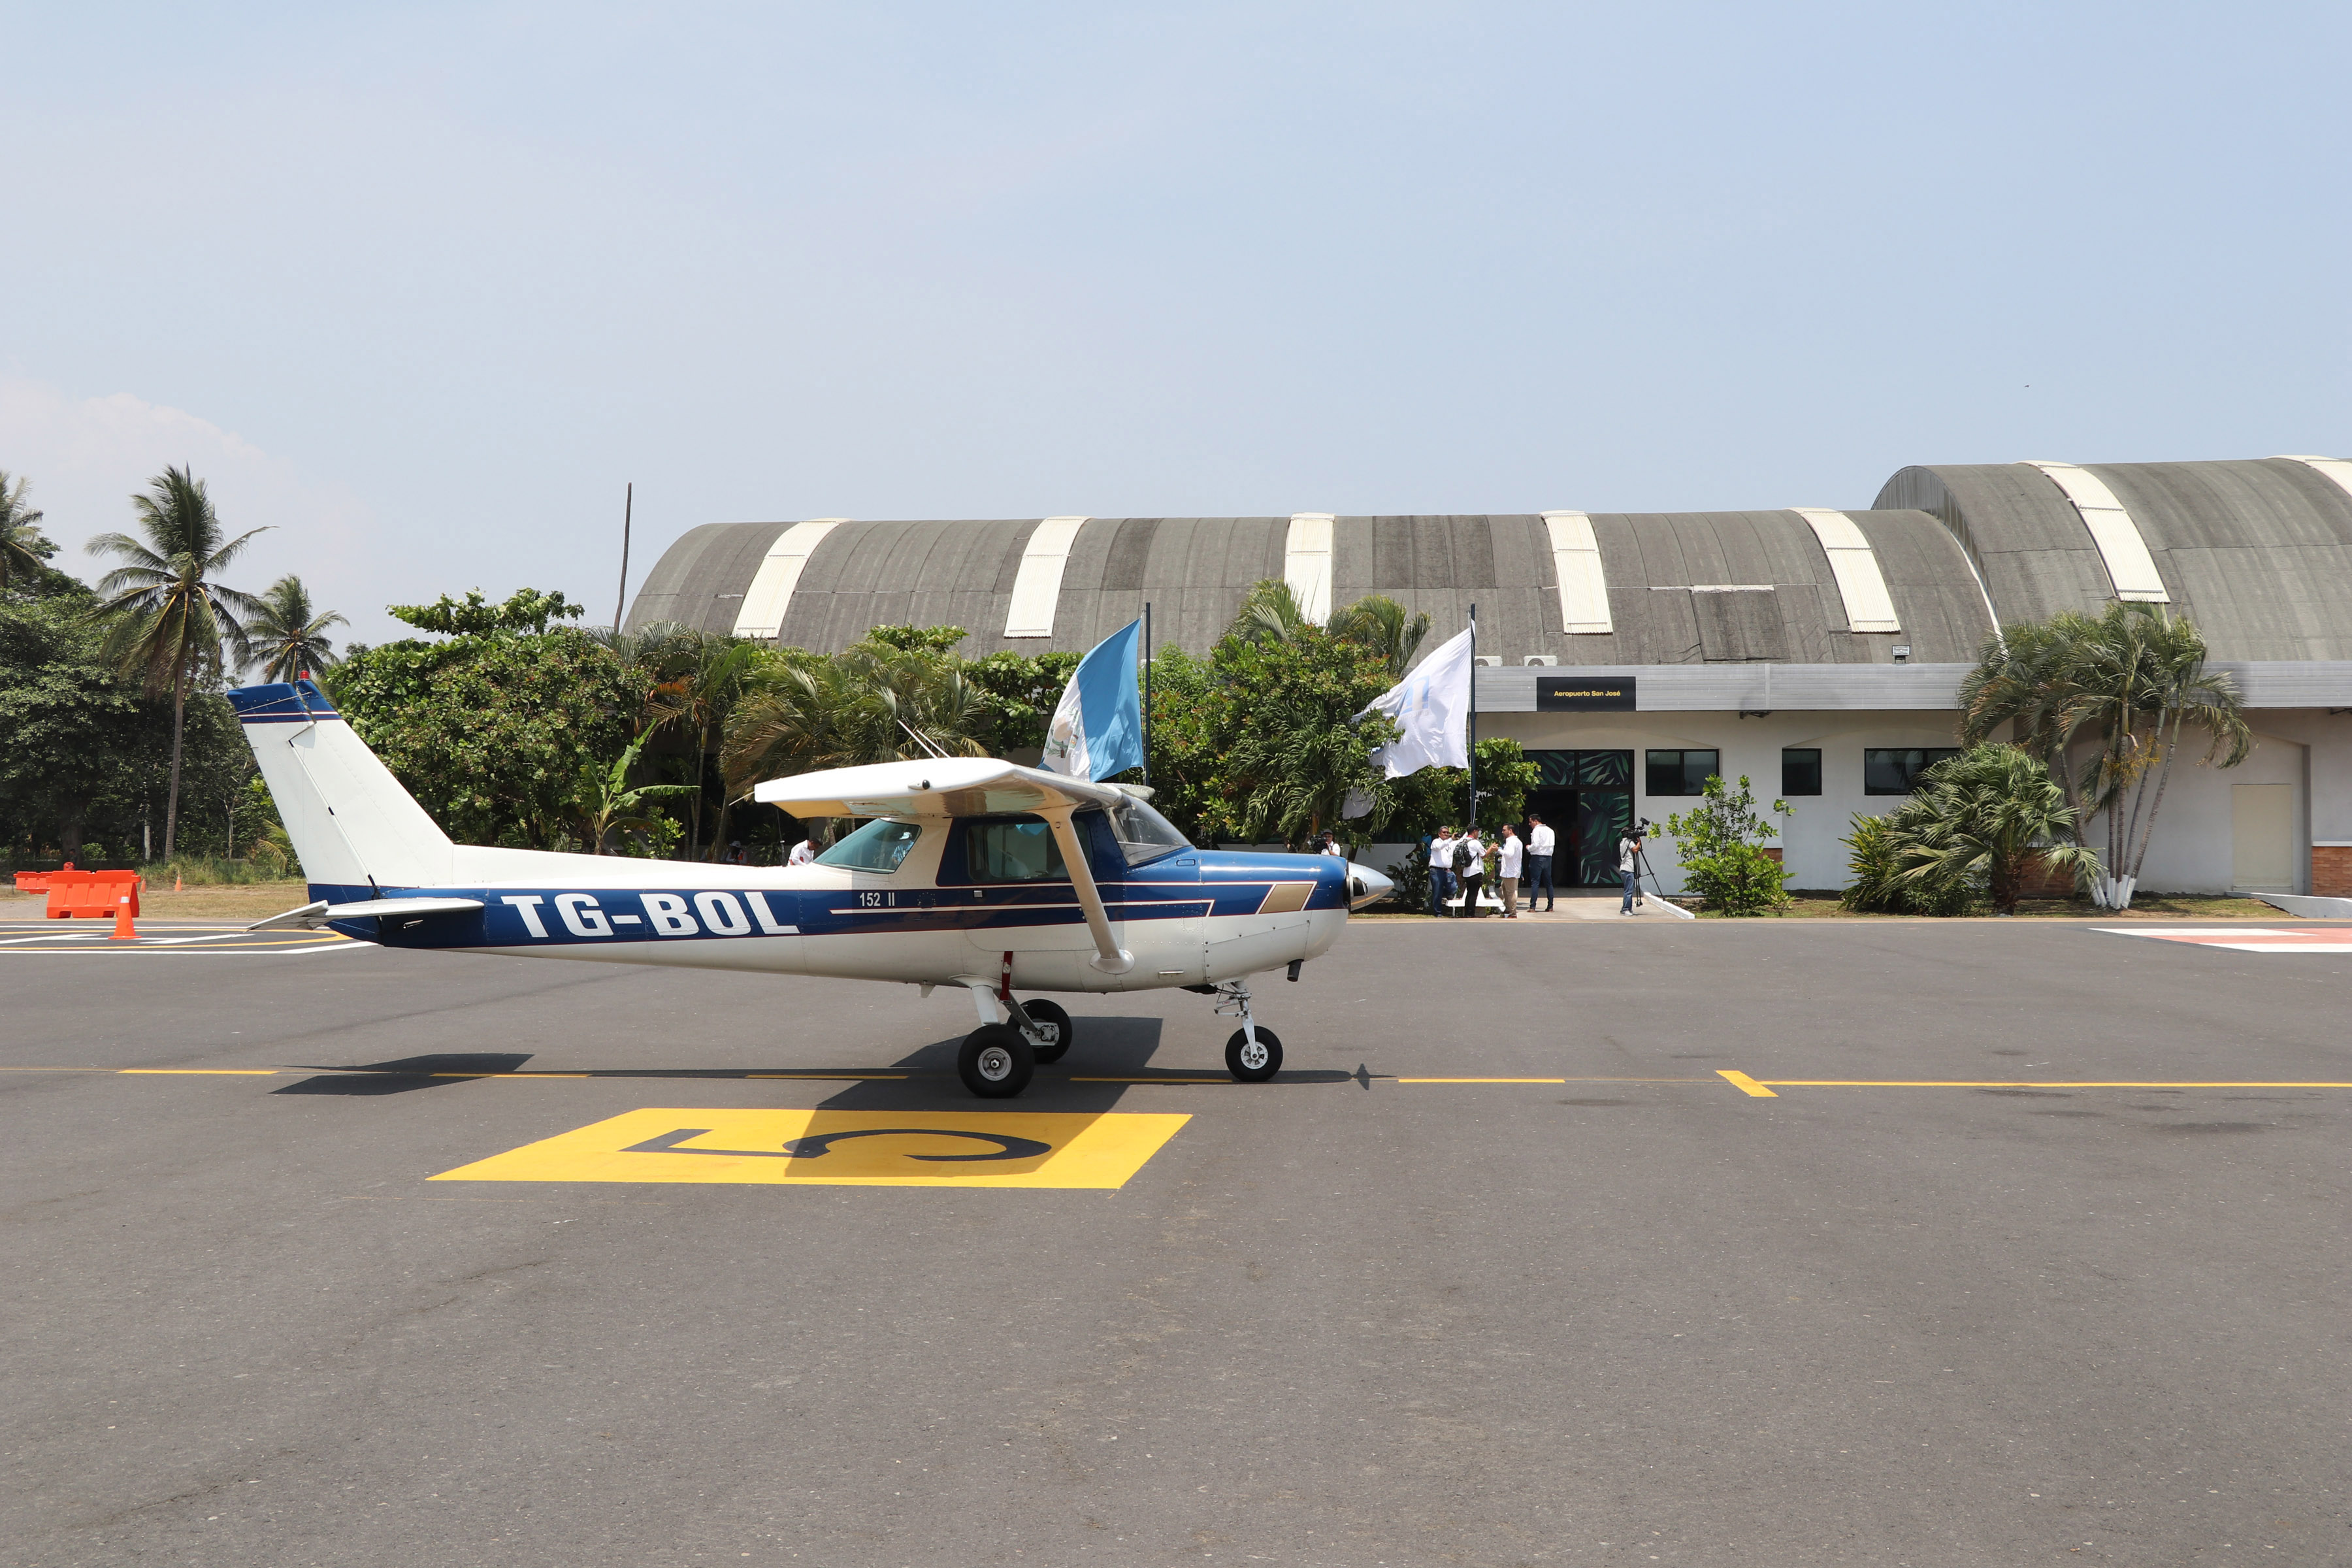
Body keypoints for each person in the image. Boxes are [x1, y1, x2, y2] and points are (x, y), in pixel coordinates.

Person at [1526, 814, 1556, 912]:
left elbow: (1536, 844)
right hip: (1548, 858)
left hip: (1538, 857)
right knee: (1549, 882)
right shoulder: (1550, 830)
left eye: (1530, 822)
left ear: (1536, 821)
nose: (1530, 824)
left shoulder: (1536, 830)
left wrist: (1528, 848)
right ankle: (1550, 906)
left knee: (1535, 882)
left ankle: (1532, 906)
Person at [1457, 827, 1486, 918]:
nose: (1478, 834)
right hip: (1475, 871)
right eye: (1478, 832)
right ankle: (1471, 914)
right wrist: (1492, 849)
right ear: (1474, 832)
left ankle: (1467, 913)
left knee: (1469, 893)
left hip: (1467, 871)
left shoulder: (1463, 841)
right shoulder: (1475, 843)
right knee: (1474, 894)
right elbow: (1484, 854)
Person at [1427, 826, 1456, 917]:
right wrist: (1451, 839)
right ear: (1439, 834)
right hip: (1436, 870)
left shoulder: (1450, 843)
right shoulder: (1436, 842)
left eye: (1448, 833)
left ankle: (1444, 894)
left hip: (1447, 871)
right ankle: (1437, 912)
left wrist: (1468, 832)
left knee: (1453, 887)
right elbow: (1439, 847)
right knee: (1437, 891)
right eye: (1444, 832)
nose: (1446, 834)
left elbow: (1461, 841)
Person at [1497, 823, 1523, 918]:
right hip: (1510, 871)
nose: (1502, 832)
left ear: (1510, 831)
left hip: (1510, 872)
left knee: (1511, 892)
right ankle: (1508, 908)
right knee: (1503, 888)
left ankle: (1513, 912)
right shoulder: (1515, 841)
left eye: (1504, 830)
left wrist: (1498, 850)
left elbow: (1509, 854)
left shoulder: (1512, 842)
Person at [1618, 824, 1645, 914]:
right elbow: (1635, 850)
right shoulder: (1629, 842)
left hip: (1623, 869)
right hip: (1628, 869)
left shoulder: (1622, 842)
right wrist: (1639, 842)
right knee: (1628, 891)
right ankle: (1625, 909)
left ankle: (1628, 908)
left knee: (1627, 890)